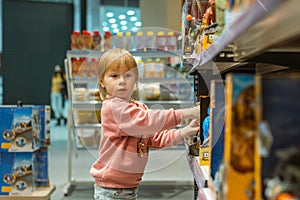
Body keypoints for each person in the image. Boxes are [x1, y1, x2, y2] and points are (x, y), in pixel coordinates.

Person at [89, 48, 201, 200]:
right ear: (102, 81)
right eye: (114, 76)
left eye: (128, 75)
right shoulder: (113, 108)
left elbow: (154, 138)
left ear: (135, 80)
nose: (122, 81)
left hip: (126, 187)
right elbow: (148, 122)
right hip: (112, 190)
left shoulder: (137, 108)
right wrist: (187, 113)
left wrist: (183, 132)